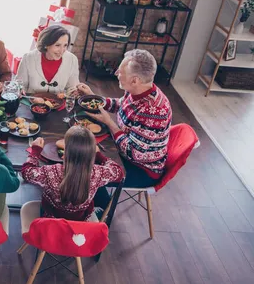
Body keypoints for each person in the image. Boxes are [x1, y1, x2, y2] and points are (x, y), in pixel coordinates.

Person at [76, 49, 172, 188]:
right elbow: (121, 105)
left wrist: (109, 122)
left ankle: (99, 207)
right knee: (81, 156)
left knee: (83, 173)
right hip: (121, 150)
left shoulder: (153, 110)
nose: (116, 74)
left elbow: (133, 153)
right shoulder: (138, 90)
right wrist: (94, 97)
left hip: (140, 169)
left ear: (134, 80)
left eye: (120, 72)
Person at [21, 128, 124, 221]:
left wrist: (35, 151)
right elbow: (119, 172)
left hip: (50, 220)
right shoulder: (98, 173)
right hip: (80, 222)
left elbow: (26, 173)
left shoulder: (50, 172)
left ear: (65, 153)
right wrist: (98, 155)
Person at [16, 25, 80, 94]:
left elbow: (72, 87)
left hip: (58, 103)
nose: (62, 51)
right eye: (57, 45)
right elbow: (19, 85)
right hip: (31, 102)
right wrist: (20, 91)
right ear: (46, 44)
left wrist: (74, 92)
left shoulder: (72, 59)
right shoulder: (28, 58)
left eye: (65, 45)